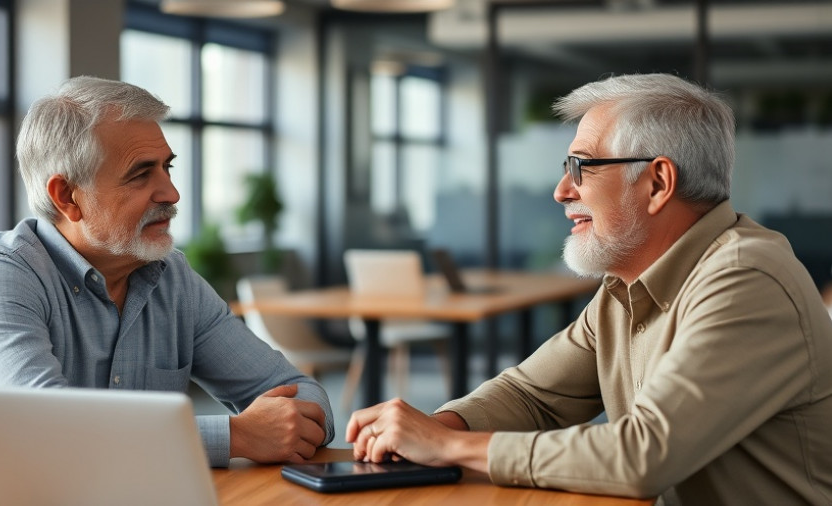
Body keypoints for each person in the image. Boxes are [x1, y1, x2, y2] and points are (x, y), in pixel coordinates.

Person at [346, 73, 832, 505]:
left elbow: (645, 455)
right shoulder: (626, 286)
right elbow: (534, 396)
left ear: (658, 182)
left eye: (581, 167)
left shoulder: (746, 277)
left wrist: (449, 448)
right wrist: (437, 429)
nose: (561, 190)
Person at [0, 76, 334, 467]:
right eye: (141, 174)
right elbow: (49, 430)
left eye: (167, 168)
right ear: (67, 196)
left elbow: (305, 395)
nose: (171, 193)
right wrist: (237, 436)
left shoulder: (172, 278)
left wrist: (290, 423)